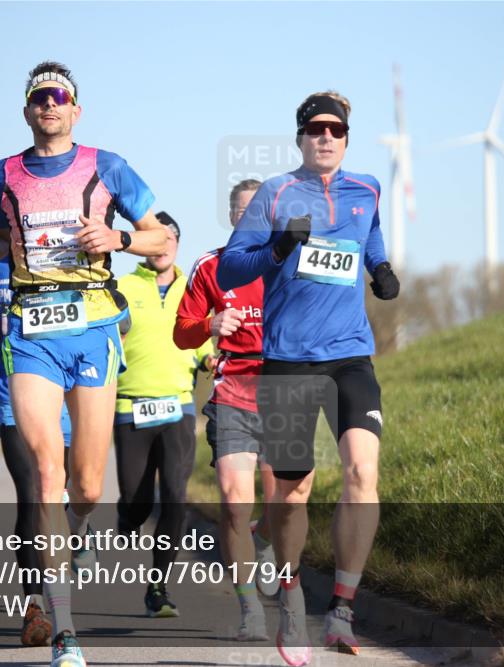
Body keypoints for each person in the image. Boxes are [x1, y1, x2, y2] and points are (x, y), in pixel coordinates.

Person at [0, 61, 167, 667]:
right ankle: (66, 633)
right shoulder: (1, 174)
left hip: (94, 328)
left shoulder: (109, 165)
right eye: (38, 97)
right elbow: (4, 242)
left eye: (59, 96)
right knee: (46, 474)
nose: (49, 104)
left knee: (87, 485)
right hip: (30, 333)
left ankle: (74, 537)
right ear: (26, 111)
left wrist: (120, 240)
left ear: (77, 109)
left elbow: (159, 236)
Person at [216, 91, 401, 666]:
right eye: (316, 129)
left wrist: (381, 269)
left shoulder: (367, 188)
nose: (326, 138)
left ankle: (343, 609)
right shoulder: (274, 195)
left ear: (347, 138)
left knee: (361, 472)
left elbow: (368, 239)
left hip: (349, 355)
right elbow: (231, 265)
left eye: (336, 130)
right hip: (289, 358)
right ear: (300, 137)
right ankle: (292, 593)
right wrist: (276, 247)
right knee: (291, 493)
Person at [173, 179, 278, 642]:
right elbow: (181, 333)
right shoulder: (210, 267)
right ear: (232, 216)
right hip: (232, 392)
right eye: (242, 210)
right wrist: (210, 324)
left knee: (281, 505)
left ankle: (269, 538)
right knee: (236, 502)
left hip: (284, 391)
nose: (249, 217)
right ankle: (249, 608)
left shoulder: (290, 264)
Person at [113, 212, 213, 618]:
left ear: (177, 243)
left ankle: (159, 585)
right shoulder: (121, 287)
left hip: (177, 407)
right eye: (153, 237)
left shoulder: (195, 289)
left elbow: (203, 339)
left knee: (174, 495)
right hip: (129, 407)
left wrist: (209, 360)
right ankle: (127, 515)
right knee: (137, 502)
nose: (162, 245)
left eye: (169, 237)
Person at [0, 256, 75, 647]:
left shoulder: (65, 251)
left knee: (63, 499)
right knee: (33, 497)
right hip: (13, 400)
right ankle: (35, 605)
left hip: (67, 400)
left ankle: (78, 530)